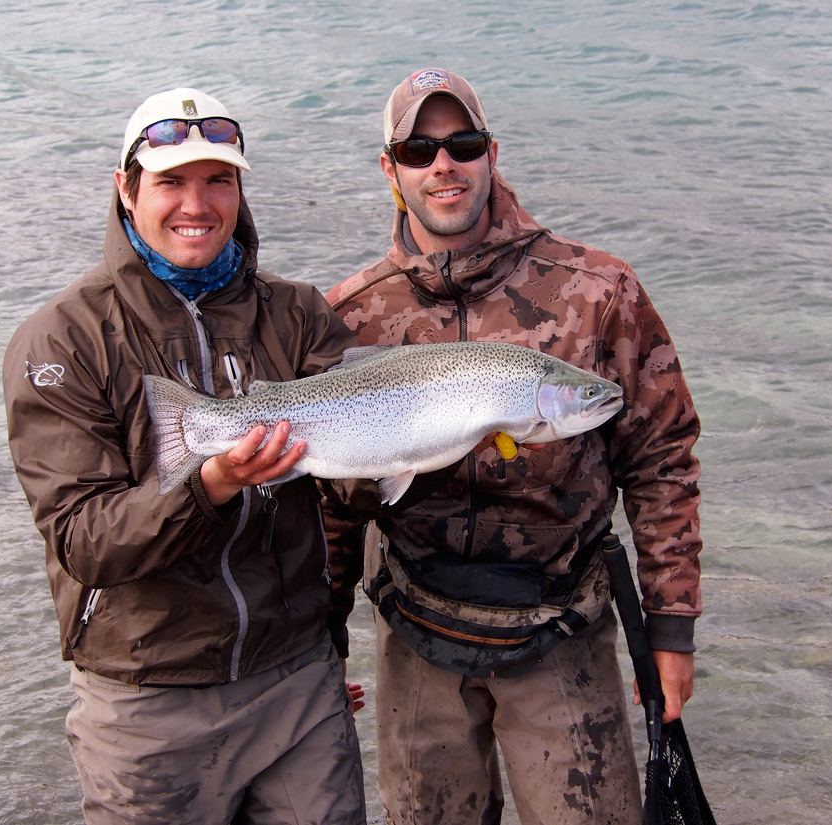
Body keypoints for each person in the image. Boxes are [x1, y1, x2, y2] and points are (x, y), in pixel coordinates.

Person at [322, 68, 704, 825]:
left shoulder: (597, 290)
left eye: (462, 143)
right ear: (389, 168)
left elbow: (663, 459)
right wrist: (322, 640)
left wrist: (671, 626)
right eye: (418, 148)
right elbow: (328, 510)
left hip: (561, 634)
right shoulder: (348, 315)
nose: (443, 165)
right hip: (415, 636)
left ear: (491, 151)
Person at [3, 87, 366, 825]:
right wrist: (211, 484)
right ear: (126, 188)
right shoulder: (63, 339)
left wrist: (448, 435)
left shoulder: (297, 313)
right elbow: (84, 541)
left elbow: (351, 491)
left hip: (297, 684)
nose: (196, 204)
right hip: (146, 702)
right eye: (170, 181)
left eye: (218, 180)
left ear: (240, 190)